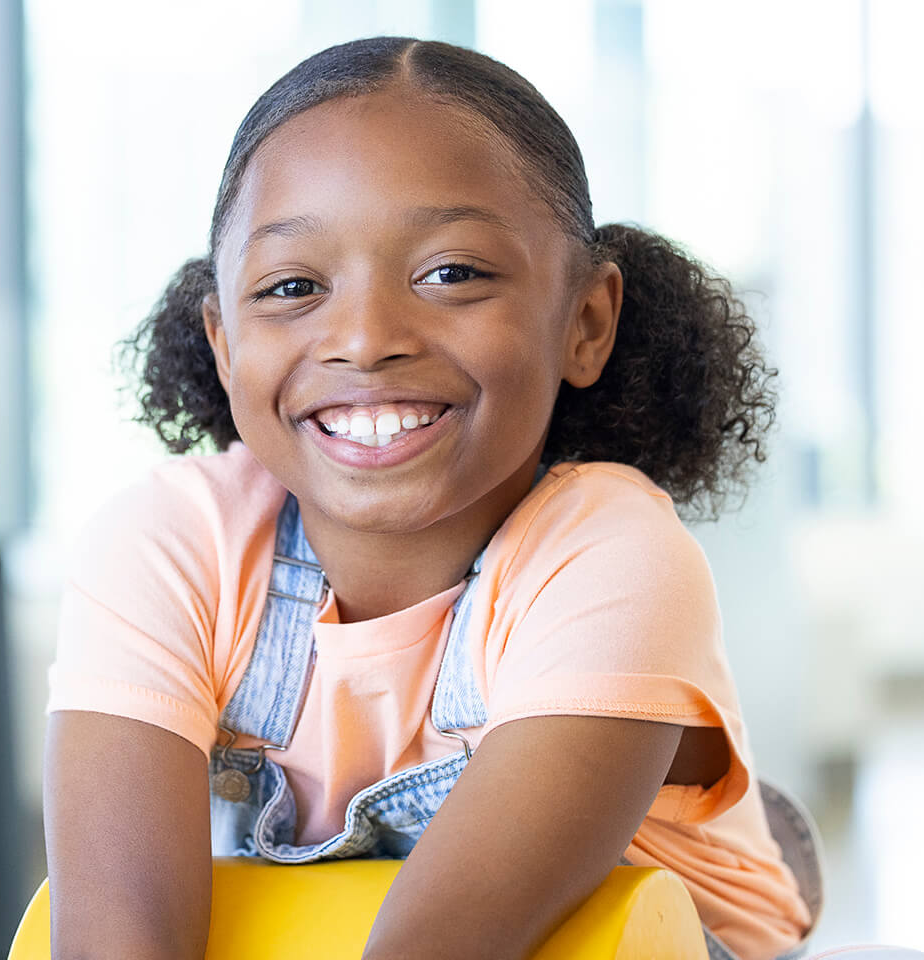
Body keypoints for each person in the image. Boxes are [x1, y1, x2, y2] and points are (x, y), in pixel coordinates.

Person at [42, 37, 811, 960]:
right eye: (293, 286)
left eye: (452, 273)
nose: (365, 340)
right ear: (224, 341)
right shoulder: (169, 544)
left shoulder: (612, 551)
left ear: (586, 322)